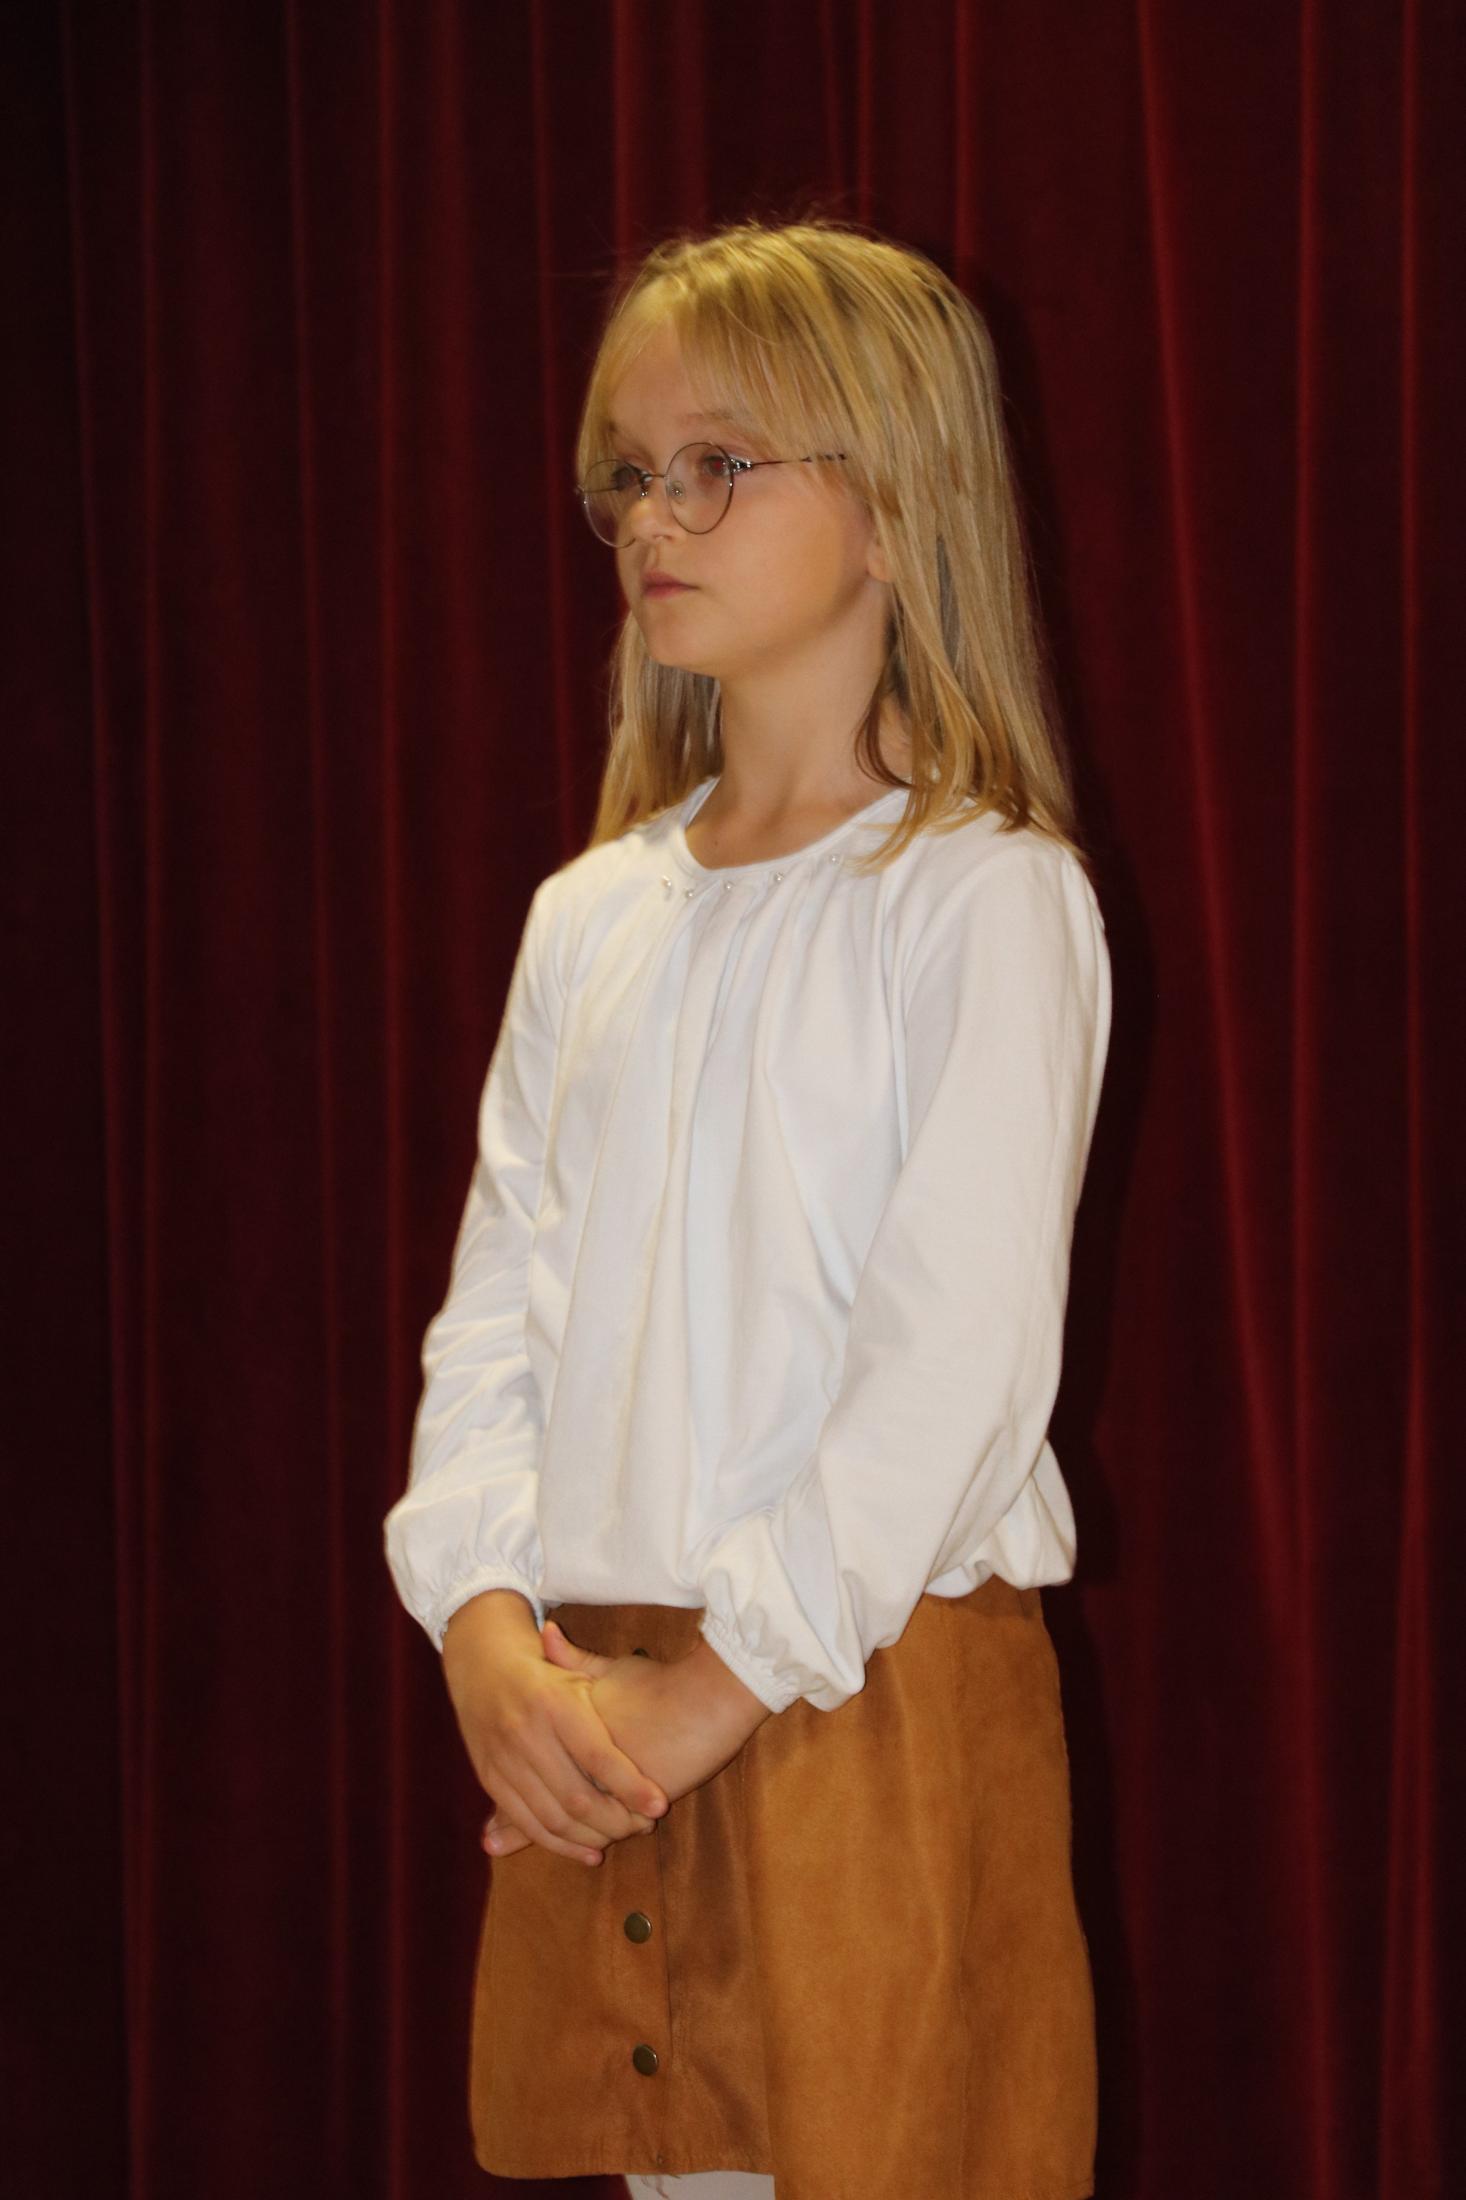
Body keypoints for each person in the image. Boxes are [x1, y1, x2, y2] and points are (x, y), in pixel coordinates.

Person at [384, 215, 1112, 2200]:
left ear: (895, 501)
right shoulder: (590, 914)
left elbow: (952, 1365)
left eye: (718, 463)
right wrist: (480, 1625)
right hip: (605, 1702)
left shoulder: (977, 897)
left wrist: (712, 1694)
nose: (652, 516)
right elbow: (497, 1315)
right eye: (628, 472)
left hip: (858, 1699)